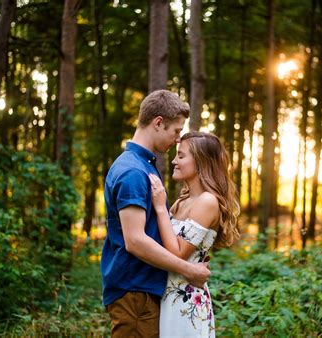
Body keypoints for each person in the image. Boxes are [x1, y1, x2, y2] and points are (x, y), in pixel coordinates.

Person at [101, 90, 211, 337]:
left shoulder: (141, 166)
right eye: (175, 131)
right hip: (134, 290)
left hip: (142, 288)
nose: (176, 139)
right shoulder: (132, 172)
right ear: (158, 123)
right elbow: (135, 240)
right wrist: (188, 269)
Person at [148, 131, 240, 338]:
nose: (174, 161)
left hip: (185, 303)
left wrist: (161, 208)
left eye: (181, 156)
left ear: (201, 162)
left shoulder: (207, 201)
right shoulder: (183, 200)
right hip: (167, 295)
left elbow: (178, 253)